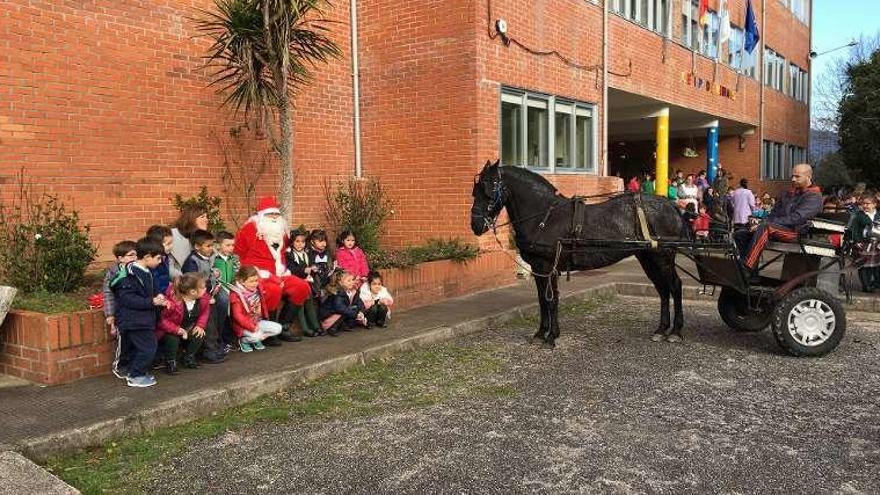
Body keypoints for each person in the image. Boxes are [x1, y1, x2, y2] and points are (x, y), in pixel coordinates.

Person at [233, 197, 310, 326]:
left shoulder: (281, 231)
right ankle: (269, 328)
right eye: (270, 214)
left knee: (302, 287)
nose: (274, 217)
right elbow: (237, 253)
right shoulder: (249, 229)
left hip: (280, 273)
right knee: (273, 290)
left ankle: (284, 325)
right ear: (261, 216)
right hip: (258, 274)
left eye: (276, 214)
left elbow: (285, 252)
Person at [735, 164, 823, 277]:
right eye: (792, 176)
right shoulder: (788, 194)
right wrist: (759, 223)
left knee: (766, 227)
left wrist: (767, 224)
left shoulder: (814, 196)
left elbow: (797, 218)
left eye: (797, 176)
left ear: (808, 177)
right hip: (779, 228)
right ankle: (752, 275)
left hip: (796, 232)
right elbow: (773, 214)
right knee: (740, 234)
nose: (793, 179)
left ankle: (747, 267)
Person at [111, 238, 168, 388]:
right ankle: (135, 375)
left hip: (144, 319)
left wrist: (160, 297)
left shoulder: (147, 271)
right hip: (134, 320)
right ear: (147, 256)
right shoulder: (130, 275)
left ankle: (135, 370)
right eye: (158, 258)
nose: (160, 262)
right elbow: (128, 299)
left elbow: (152, 290)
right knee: (148, 347)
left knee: (141, 347)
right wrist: (152, 302)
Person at [182, 229, 229, 363]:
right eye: (208, 246)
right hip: (197, 295)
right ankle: (209, 350)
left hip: (207, 293)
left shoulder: (207, 257)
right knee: (208, 318)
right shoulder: (192, 261)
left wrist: (215, 277)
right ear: (197, 246)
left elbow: (208, 274)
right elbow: (193, 284)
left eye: (212, 245)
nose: (211, 249)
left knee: (215, 313)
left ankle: (214, 345)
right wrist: (208, 291)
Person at [155, 273, 209, 374]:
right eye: (203, 288)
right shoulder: (173, 302)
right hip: (172, 329)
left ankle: (189, 356)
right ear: (192, 292)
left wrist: (200, 325)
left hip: (188, 327)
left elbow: (205, 312)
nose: (206, 289)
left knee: (199, 333)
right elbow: (162, 320)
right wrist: (177, 330)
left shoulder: (203, 298)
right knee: (172, 338)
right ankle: (170, 361)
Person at [104, 240, 137, 380]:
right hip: (121, 313)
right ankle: (120, 365)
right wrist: (110, 314)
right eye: (130, 255)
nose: (134, 258)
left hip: (135, 311)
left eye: (136, 255)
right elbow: (108, 293)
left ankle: (133, 364)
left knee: (136, 340)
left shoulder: (138, 269)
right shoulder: (114, 273)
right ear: (120, 258)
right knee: (123, 340)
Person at [229, 265, 283, 352]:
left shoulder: (257, 287)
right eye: (251, 281)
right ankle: (244, 341)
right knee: (256, 336)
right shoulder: (236, 295)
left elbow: (266, 275)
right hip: (243, 326)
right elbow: (237, 316)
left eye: (256, 281)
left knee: (278, 328)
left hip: (257, 321)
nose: (255, 283)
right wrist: (251, 327)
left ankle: (257, 339)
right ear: (242, 281)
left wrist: (278, 281)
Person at [286, 228, 321, 337]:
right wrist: (304, 270)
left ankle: (315, 326)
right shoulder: (289, 254)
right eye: (297, 241)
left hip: (307, 282)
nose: (300, 244)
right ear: (292, 242)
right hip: (295, 283)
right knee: (300, 301)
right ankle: (305, 328)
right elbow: (291, 269)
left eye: (302, 241)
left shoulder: (308, 253)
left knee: (309, 302)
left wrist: (314, 269)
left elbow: (312, 266)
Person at [212, 230, 240, 349]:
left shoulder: (233, 258)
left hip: (230, 286)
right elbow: (212, 273)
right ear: (218, 245)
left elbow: (237, 273)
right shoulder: (214, 258)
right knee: (223, 301)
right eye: (227, 245)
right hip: (218, 287)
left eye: (232, 245)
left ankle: (235, 335)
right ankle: (218, 337)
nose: (231, 248)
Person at [319, 271, 369, 336]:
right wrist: (355, 314)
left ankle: (346, 325)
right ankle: (332, 328)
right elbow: (340, 308)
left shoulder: (353, 291)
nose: (352, 282)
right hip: (330, 315)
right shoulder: (337, 293)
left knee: (353, 309)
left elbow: (360, 302)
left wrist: (361, 311)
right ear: (340, 282)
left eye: (352, 280)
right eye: (348, 281)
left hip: (343, 312)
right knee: (347, 311)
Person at [850, 195, 880, 292]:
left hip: (876, 244)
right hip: (864, 244)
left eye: (868, 204)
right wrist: (857, 241)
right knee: (863, 265)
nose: (865, 206)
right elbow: (855, 229)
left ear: (874, 204)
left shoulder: (878, 216)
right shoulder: (859, 216)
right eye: (863, 204)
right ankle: (866, 286)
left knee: (875, 265)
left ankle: (875, 284)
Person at [169, 205, 209, 278]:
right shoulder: (173, 236)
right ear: (191, 219)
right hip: (179, 283)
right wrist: (186, 280)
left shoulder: (204, 238)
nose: (206, 220)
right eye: (202, 217)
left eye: (206, 217)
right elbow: (168, 267)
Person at [307, 229, 335, 300]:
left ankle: (327, 291)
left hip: (326, 277)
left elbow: (330, 264)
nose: (323, 244)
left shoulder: (327, 252)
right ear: (312, 242)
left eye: (324, 241)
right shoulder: (310, 253)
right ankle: (318, 293)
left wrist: (331, 269)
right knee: (315, 275)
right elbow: (309, 265)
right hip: (316, 279)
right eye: (320, 241)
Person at [146, 225, 174, 293]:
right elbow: (155, 282)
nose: (172, 246)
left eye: (172, 242)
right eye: (168, 244)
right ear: (157, 244)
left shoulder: (165, 256)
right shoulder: (153, 261)